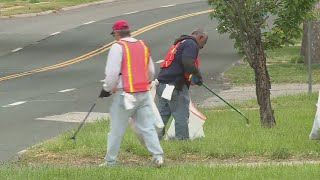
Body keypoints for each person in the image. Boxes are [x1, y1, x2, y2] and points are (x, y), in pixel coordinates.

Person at [99, 20, 164, 167]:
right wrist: (143, 83)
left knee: (116, 128)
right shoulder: (142, 45)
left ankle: (111, 160)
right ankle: (158, 156)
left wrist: (107, 89)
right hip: (143, 92)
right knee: (147, 126)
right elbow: (151, 71)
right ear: (129, 31)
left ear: (117, 33)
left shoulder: (118, 47)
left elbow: (112, 74)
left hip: (125, 94)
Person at [156, 29, 208, 140]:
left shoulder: (180, 42)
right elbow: (188, 63)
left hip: (163, 85)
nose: (201, 47)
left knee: (162, 115)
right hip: (175, 86)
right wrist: (198, 77)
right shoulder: (191, 44)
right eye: (203, 44)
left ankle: (153, 141)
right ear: (201, 38)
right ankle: (182, 143)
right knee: (181, 115)